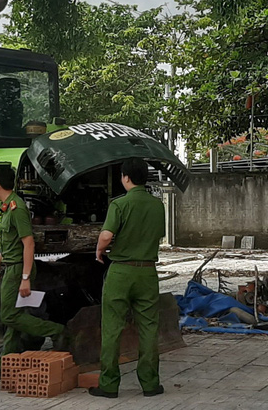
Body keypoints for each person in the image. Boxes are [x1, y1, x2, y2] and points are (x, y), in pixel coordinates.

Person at [89, 157, 166, 398]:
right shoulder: (157, 205)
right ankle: (151, 383)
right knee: (149, 328)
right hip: (147, 271)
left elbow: (106, 235)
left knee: (112, 327)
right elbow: (158, 235)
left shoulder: (119, 205)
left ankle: (109, 385)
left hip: (121, 271)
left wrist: (100, 250)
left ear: (126, 178)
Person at [0, 166, 66, 379]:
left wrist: (25, 278)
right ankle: (3, 364)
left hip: (18, 269)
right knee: (15, 318)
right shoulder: (7, 207)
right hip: (10, 265)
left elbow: (28, 244)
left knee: (9, 315)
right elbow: (10, 242)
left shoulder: (17, 209)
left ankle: (55, 331)